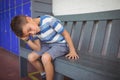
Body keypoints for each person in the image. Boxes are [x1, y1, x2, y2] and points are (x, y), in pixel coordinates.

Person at [10, 15, 79, 80]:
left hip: (60, 44)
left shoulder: (48, 20)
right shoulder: (34, 31)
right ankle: (43, 74)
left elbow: (66, 34)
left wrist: (72, 50)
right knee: (31, 57)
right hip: (47, 45)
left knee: (45, 57)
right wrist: (27, 40)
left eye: (30, 29)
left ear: (29, 19)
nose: (33, 33)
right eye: (29, 34)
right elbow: (38, 48)